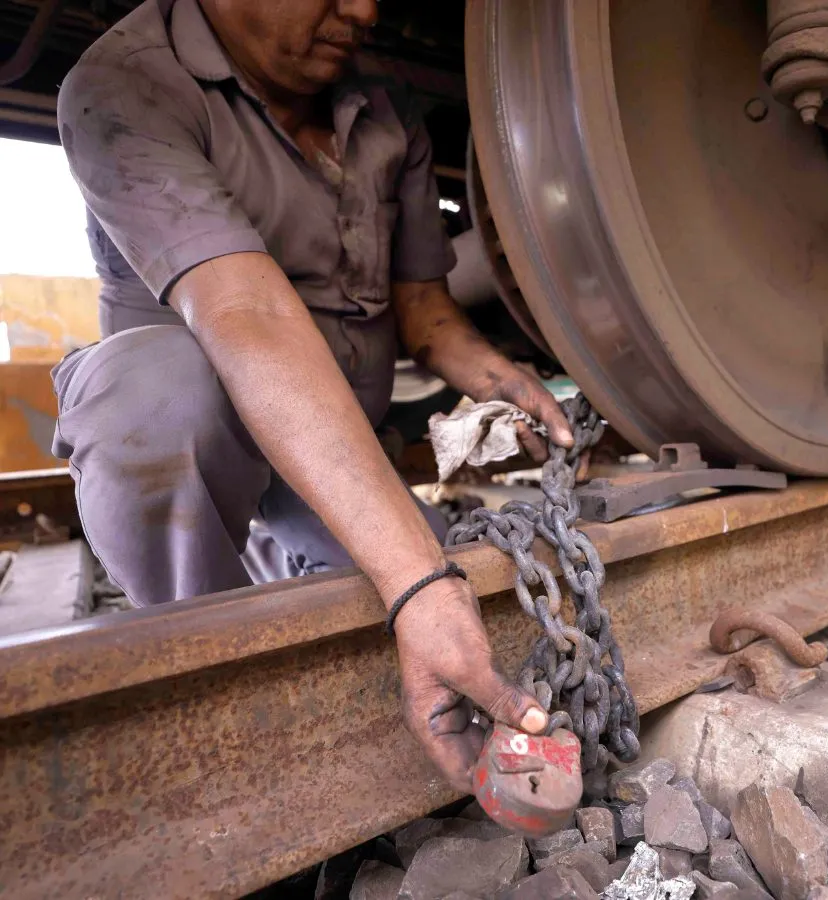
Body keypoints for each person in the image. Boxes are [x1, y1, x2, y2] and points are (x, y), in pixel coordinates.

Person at [52, 0, 567, 792]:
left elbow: (423, 305)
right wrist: (417, 584)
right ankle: (211, 681)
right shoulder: (124, 83)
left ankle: (288, 550)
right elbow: (244, 312)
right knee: (152, 396)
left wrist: (506, 383)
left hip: (331, 447)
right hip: (196, 439)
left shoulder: (384, 108)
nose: (363, 9)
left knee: (447, 602)